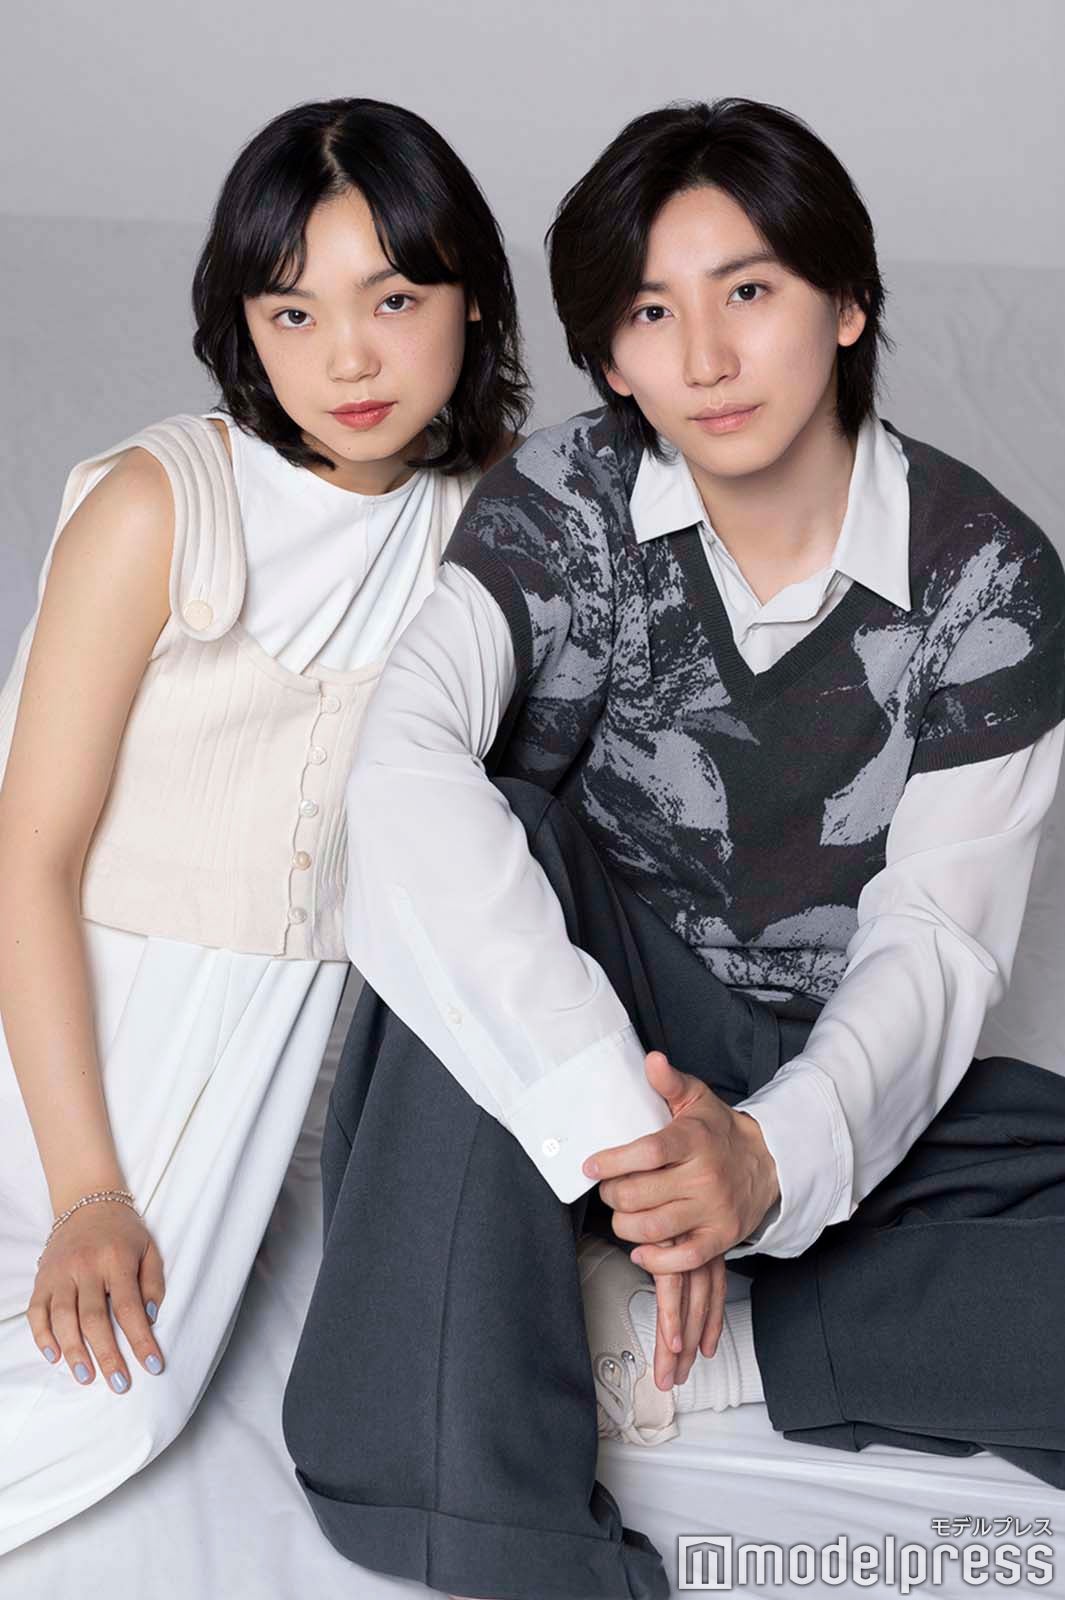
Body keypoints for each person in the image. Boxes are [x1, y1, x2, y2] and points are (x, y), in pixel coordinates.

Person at [283, 97, 1065, 1600]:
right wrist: (627, 1141)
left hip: (830, 1087)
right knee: (486, 829)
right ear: (609, 357)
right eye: (650, 313)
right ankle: (476, 1492)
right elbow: (398, 771)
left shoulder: (987, 583)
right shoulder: (563, 506)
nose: (703, 359)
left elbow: (936, 944)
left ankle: (702, 1345)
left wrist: (758, 1164)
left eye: (748, 291)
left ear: (847, 305)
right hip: (582, 1044)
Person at [0, 95, 527, 1555]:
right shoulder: (159, 505)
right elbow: (27, 857)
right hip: (63, 1022)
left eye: (394, 299)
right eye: (292, 312)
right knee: (91, 1404)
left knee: (126, 1397)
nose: (346, 359)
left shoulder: (485, 527)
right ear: (243, 323)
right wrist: (87, 1190)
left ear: (471, 301)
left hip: (263, 1066)